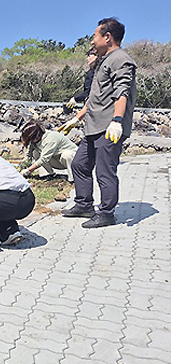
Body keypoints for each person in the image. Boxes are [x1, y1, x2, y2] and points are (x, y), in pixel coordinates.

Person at [58, 17, 137, 228]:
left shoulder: (121, 59)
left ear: (107, 37)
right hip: (93, 126)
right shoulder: (104, 61)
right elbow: (95, 98)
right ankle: (84, 204)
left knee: (105, 171)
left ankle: (107, 213)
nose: (92, 41)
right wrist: (76, 118)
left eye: (95, 36)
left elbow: (122, 92)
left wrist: (117, 120)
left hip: (109, 127)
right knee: (79, 164)